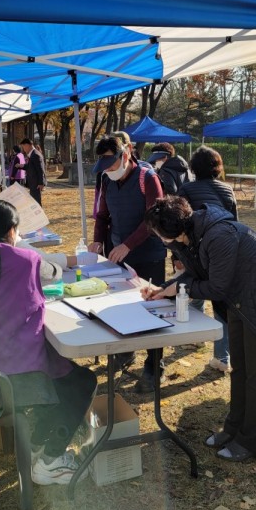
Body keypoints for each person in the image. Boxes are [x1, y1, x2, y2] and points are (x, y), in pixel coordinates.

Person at [142, 196, 256, 462]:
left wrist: (179, 288)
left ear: (174, 230)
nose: (158, 238)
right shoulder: (190, 235)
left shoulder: (219, 234)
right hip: (241, 303)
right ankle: (234, 428)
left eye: (159, 233)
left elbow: (216, 286)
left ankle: (253, 442)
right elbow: (197, 274)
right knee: (240, 370)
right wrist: (166, 288)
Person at [0, 200, 97, 485]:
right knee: (82, 383)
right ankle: (51, 459)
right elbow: (52, 273)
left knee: (71, 379)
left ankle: (36, 444)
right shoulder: (25, 261)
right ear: (13, 230)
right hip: (14, 379)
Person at [90, 132, 166, 393]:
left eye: (112, 164)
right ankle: (125, 352)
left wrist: (128, 244)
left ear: (126, 154)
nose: (110, 170)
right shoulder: (105, 179)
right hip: (118, 255)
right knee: (120, 306)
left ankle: (155, 365)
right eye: (105, 166)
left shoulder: (148, 178)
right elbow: (102, 215)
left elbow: (153, 219)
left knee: (152, 309)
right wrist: (98, 241)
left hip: (148, 255)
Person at [178, 145, 237, 373]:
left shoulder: (187, 189)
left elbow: (180, 222)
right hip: (223, 251)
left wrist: (178, 255)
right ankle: (222, 357)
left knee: (194, 291)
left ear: (193, 168)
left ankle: (195, 336)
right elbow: (235, 223)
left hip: (196, 251)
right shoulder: (227, 189)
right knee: (221, 306)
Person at [20, 138, 47, 206]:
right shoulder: (32, 154)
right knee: (34, 201)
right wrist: (21, 166)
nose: (23, 149)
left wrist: (41, 183)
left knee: (36, 202)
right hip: (33, 183)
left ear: (27, 145)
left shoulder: (35, 155)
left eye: (23, 147)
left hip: (36, 183)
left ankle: (39, 215)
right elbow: (30, 167)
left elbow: (40, 169)